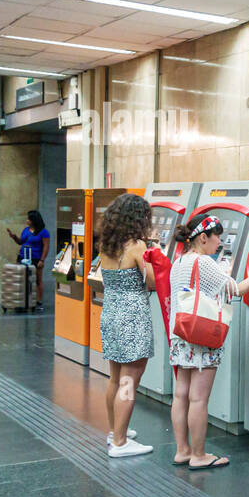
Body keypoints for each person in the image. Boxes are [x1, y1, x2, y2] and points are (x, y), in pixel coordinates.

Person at [169, 213, 249, 471]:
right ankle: (199, 455)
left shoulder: (179, 261)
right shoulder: (205, 263)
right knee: (199, 399)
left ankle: (182, 451)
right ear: (203, 238)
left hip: (181, 334)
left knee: (181, 394)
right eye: (218, 237)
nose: (220, 242)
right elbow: (236, 290)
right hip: (202, 336)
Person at [97, 193, 157, 458]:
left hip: (110, 311)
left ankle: (114, 431)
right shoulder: (136, 246)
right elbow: (153, 281)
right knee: (130, 379)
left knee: (115, 377)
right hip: (132, 315)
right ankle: (120, 443)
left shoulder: (107, 245)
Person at [6, 210, 50, 308]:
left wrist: (42, 260)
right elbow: (21, 242)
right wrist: (14, 237)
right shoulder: (26, 230)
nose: (27, 220)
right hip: (23, 256)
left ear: (34, 220)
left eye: (28, 219)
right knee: (20, 278)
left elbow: (46, 246)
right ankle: (20, 301)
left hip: (36, 258)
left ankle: (39, 302)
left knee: (38, 280)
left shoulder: (43, 232)